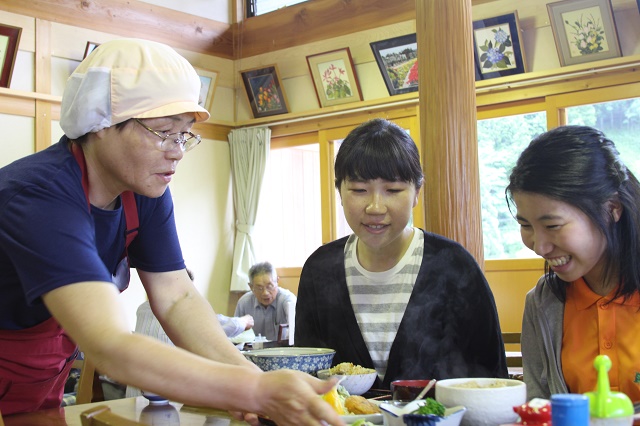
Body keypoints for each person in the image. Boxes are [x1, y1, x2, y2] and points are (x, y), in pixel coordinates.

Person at [0, 38, 343, 426]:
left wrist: (252, 382)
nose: (177, 150)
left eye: (185, 135)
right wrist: (251, 390)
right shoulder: (39, 195)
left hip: (35, 393)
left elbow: (177, 298)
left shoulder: (144, 189)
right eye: (164, 131)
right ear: (100, 124)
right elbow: (108, 344)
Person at [295, 118, 508, 389]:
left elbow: (492, 380)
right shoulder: (319, 268)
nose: (375, 207)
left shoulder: (454, 266)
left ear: (417, 192)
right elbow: (307, 373)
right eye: (359, 190)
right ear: (339, 191)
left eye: (393, 190)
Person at [506, 125, 640, 402]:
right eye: (525, 225)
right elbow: (539, 404)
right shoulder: (543, 304)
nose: (539, 246)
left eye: (552, 225)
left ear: (612, 209)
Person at [235, 261, 296, 341]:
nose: (265, 293)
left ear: (277, 281)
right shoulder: (244, 303)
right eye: (259, 288)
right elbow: (236, 335)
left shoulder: (288, 300)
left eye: (269, 286)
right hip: (253, 351)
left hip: (282, 351)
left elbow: (296, 331)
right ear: (251, 287)